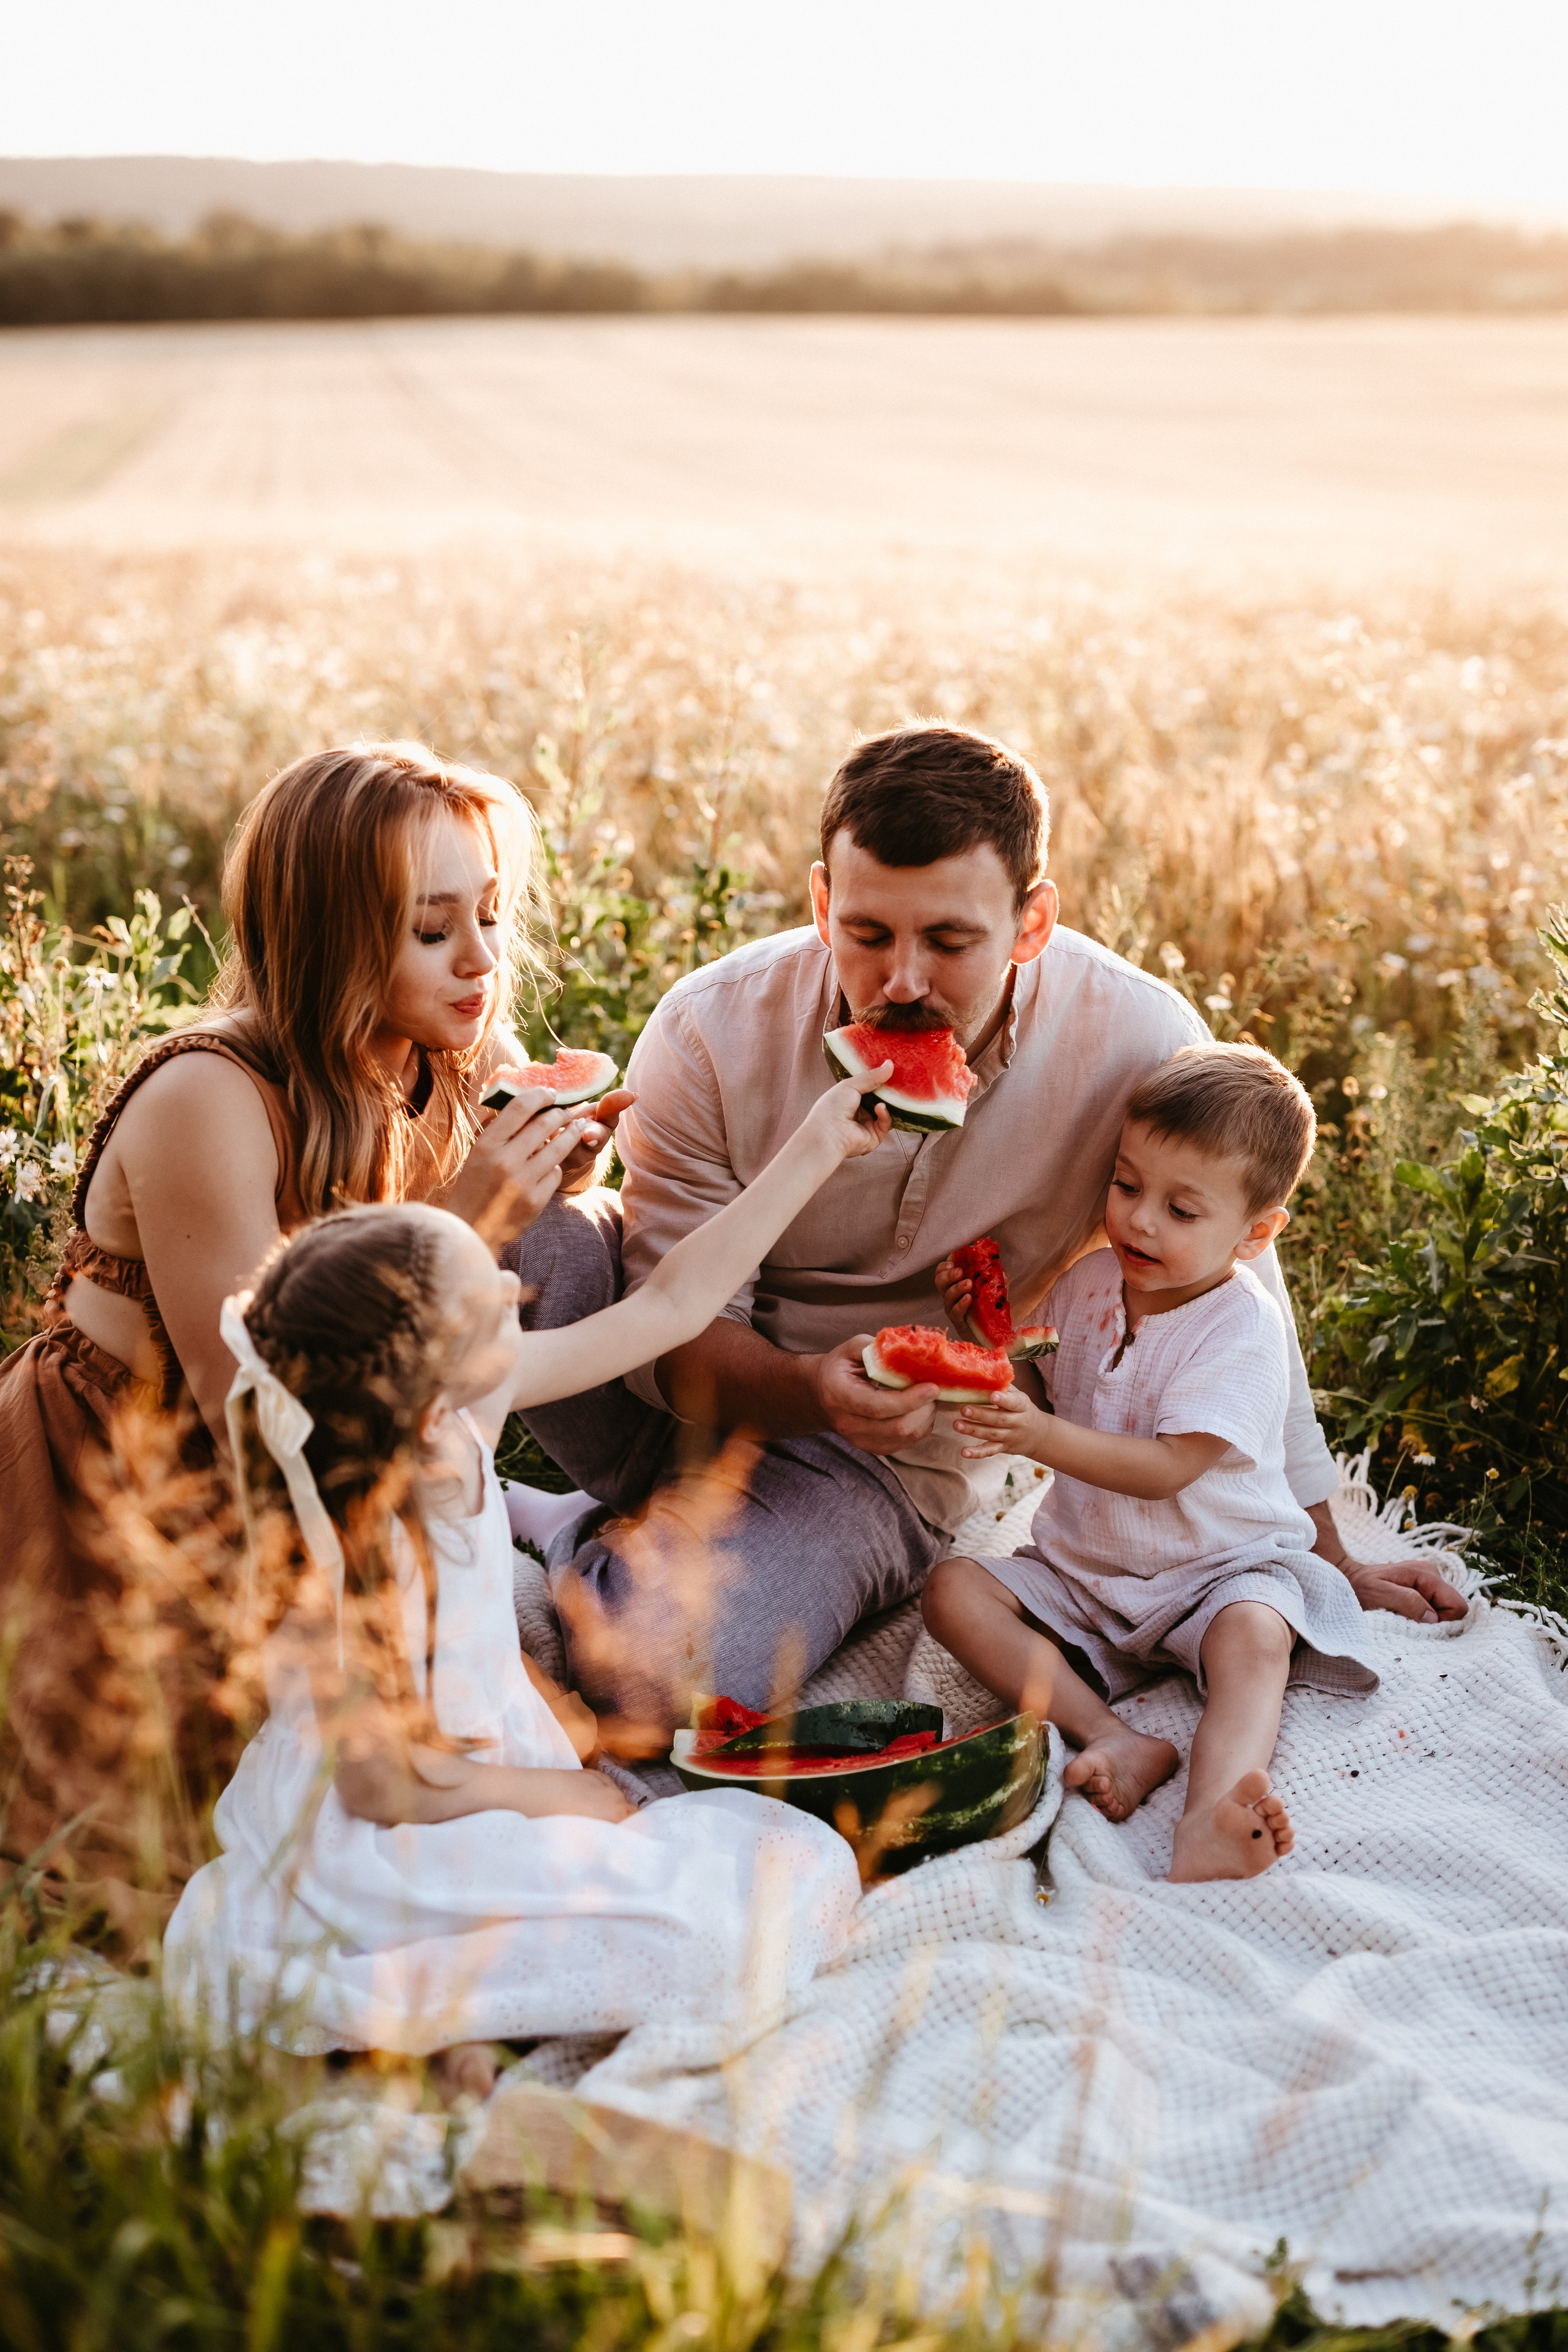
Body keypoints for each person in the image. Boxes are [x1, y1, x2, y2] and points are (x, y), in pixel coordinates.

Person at [505, 725, 1465, 1738]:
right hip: (652, 1367)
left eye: (951, 942)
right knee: (490, 1222)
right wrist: (806, 1384)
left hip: (875, 1461)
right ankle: (598, 1518)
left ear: (1031, 922)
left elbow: (1245, 1305)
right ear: (822, 902)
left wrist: (1330, 1555)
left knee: (648, 1684)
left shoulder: (1140, 1045)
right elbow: (672, 1320)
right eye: (867, 934)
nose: (903, 983)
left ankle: (608, 1541)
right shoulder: (710, 1029)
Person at [0, 741, 628, 1894]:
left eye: (490, 915)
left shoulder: (438, 1060)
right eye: (433, 931)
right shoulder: (205, 1095)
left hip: (320, 1505)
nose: (484, 961)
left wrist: (552, 1177)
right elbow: (259, 1400)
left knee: (488, 1784)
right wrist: (470, 1217)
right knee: (146, 1874)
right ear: (331, 938)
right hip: (128, 1491)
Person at [164, 1060, 889, 2057]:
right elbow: (385, 1790)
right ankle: (439, 2028)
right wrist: (555, 1796)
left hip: (479, 1772)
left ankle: (451, 2031)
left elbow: (670, 1307)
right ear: (427, 1392)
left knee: (737, 1882)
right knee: (725, 1922)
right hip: (389, 1835)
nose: (514, 1281)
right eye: (489, 1293)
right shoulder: (341, 1556)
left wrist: (819, 1144)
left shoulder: (459, 1408)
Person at [920, 1042, 1466, 1882]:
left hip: (1218, 1576)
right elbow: (1049, 1392)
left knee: (1256, 1638)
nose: (1139, 1221)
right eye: (1127, 1185)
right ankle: (1115, 1738)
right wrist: (982, 1340)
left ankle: (1215, 1811)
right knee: (955, 1589)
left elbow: (1168, 1466)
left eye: (1182, 1210)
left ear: (1255, 1235)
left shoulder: (1241, 1330)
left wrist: (1035, 1438)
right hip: (1085, 1576)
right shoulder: (1089, 1283)